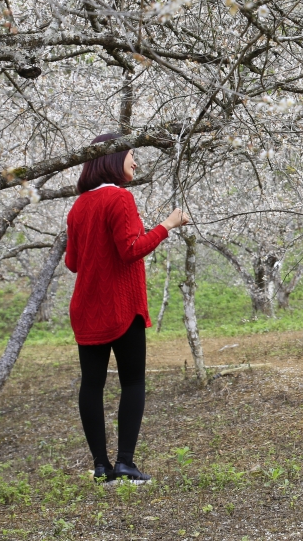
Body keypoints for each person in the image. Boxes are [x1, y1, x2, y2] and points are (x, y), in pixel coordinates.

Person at [66, 133, 190, 484]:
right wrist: (167, 225)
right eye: (132, 154)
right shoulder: (119, 198)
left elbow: (73, 263)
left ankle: (101, 466)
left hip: (86, 308)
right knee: (132, 382)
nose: (136, 162)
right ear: (112, 158)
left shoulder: (78, 207)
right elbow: (130, 250)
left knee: (91, 385)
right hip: (122, 308)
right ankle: (125, 463)